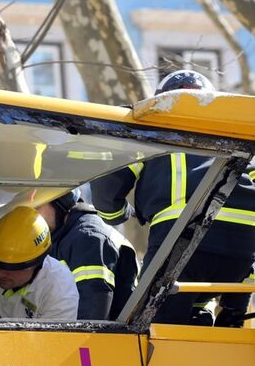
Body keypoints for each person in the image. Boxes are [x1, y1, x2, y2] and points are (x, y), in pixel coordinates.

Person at [91, 70, 255, 327]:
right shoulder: (235, 132)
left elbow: (106, 187)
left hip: (183, 240)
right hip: (243, 251)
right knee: (216, 319)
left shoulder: (153, 130)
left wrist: (118, 214)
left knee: (152, 324)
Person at [36, 190, 139, 320]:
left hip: (113, 338)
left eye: (37, 206)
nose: (33, 215)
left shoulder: (88, 238)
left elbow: (91, 316)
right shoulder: (59, 235)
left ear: (61, 203)